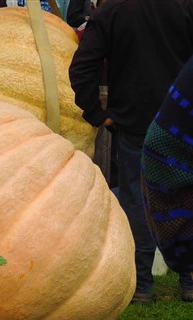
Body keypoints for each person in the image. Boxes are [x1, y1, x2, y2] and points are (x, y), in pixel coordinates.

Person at [69, 0, 193, 303]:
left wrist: (97, 113)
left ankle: (140, 282)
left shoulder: (112, 9)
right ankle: (189, 279)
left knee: (138, 199)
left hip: (136, 119)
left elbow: (83, 67)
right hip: (184, 118)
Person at [141, 56, 193, 302]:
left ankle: (142, 283)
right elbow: (160, 146)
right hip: (150, 122)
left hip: (134, 114)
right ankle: (142, 282)